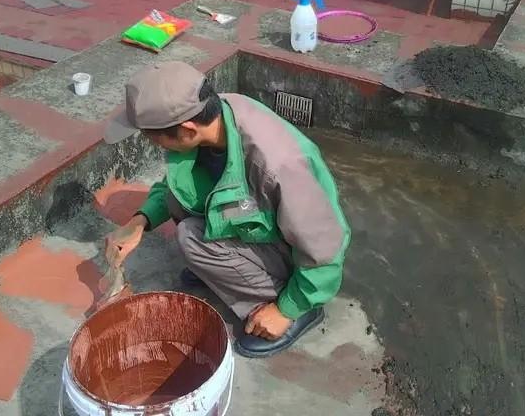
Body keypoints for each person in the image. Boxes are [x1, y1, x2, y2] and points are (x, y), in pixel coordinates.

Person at [103, 61, 350, 358]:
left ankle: (296, 307)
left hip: (299, 255)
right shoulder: (210, 115)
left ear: (187, 130)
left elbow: (325, 250)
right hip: (255, 219)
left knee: (190, 237)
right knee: (185, 208)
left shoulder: (279, 165)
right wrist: (140, 221)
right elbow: (177, 184)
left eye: (152, 137)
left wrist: (287, 309)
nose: (153, 144)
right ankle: (222, 270)